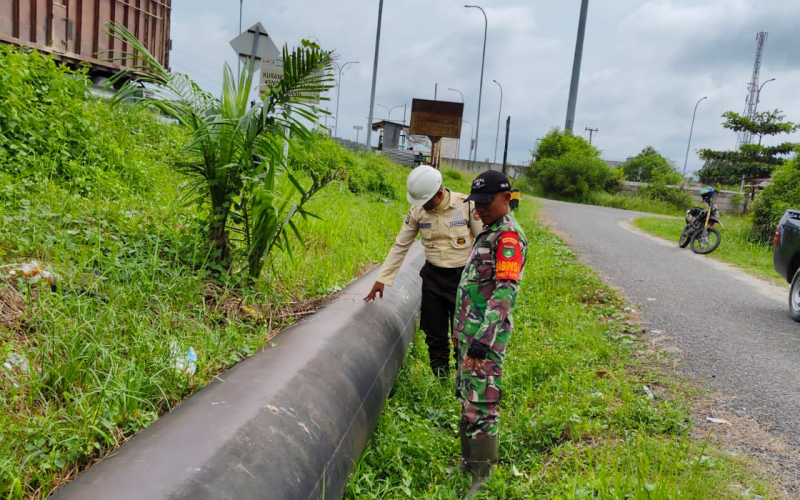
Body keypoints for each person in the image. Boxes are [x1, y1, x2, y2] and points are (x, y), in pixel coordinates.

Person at [364, 164, 483, 377]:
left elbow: (483, 244)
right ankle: (441, 379)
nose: (423, 207)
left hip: (463, 280)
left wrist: (483, 283)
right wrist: (382, 279)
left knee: (463, 333)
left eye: (426, 202)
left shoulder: (466, 206)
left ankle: (462, 380)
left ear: (439, 194)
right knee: (434, 333)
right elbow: (400, 246)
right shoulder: (417, 212)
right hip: (433, 279)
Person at [453, 169, 528, 497]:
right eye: (475, 202)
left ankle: (481, 481)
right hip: (470, 336)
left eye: (485, 202)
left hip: (485, 339)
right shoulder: (489, 230)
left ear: (505, 198)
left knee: (483, 405)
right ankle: (468, 463)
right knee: (468, 398)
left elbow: (505, 292)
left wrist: (483, 340)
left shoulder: (508, 237)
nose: (479, 208)